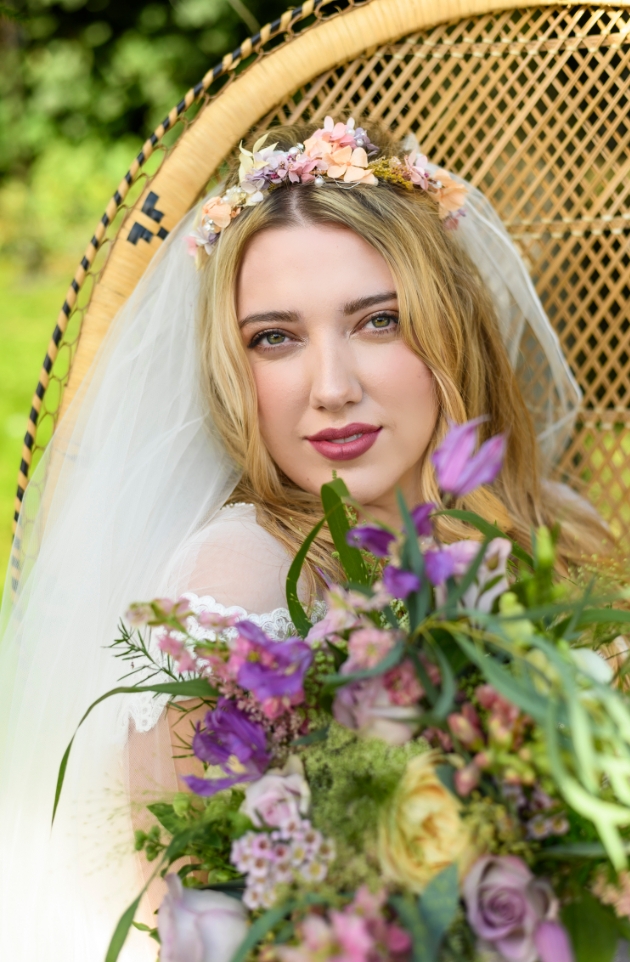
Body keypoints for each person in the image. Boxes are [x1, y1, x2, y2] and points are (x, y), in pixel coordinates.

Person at [0, 118, 614, 960]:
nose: (331, 388)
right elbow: (175, 915)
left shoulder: (553, 527)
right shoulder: (241, 582)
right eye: (276, 339)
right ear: (229, 364)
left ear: (450, 327)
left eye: (378, 321)